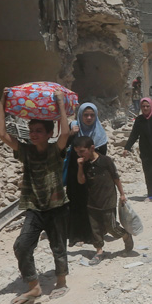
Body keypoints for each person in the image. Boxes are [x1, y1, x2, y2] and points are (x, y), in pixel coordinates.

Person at [0, 89, 71, 304]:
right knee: (22, 245)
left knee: (58, 246)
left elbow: (65, 132)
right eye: (31, 130)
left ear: (49, 133)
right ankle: (34, 286)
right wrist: (2, 102)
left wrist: (59, 103)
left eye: (39, 130)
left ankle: (61, 281)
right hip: (34, 207)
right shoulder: (25, 151)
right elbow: (1, 133)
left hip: (57, 206)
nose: (33, 133)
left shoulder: (55, 150)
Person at [72, 135, 133, 262]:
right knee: (95, 229)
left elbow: (116, 178)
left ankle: (126, 235)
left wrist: (122, 194)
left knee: (111, 227)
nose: (80, 155)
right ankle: (99, 251)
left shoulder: (106, 161)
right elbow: (81, 181)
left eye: (82, 151)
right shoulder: (84, 164)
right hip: (92, 201)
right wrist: (80, 167)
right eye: (77, 152)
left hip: (108, 199)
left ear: (92, 148)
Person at [64, 103, 109, 246]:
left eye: (92, 115)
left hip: (92, 174)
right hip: (75, 173)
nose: (89, 118)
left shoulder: (100, 133)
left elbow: (102, 155)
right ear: (80, 115)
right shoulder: (74, 129)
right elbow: (61, 147)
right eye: (85, 115)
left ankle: (93, 234)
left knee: (92, 203)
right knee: (76, 202)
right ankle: (76, 235)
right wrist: (70, 135)